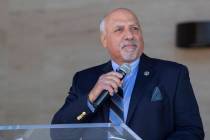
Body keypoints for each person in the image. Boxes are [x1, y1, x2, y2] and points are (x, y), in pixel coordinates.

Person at [52, 8, 204, 140]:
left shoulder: (173, 74)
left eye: (135, 28)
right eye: (119, 29)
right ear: (104, 40)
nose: (130, 35)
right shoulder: (84, 79)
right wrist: (91, 98)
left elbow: (191, 130)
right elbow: (59, 134)